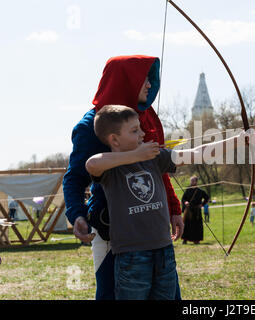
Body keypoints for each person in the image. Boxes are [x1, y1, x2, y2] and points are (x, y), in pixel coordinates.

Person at [85, 105, 250, 299]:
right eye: (135, 130)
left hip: (164, 250)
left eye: (140, 128)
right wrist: (136, 155)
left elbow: (197, 153)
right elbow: (92, 164)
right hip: (131, 256)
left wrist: (238, 140)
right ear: (114, 139)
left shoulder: (155, 158)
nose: (143, 133)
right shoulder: (111, 169)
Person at [62, 55, 184, 300]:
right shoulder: (91, 126)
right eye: (143, 79)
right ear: (125, 81)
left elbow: (156, 168)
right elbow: (75, 177)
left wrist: (173, 208)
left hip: (152, 234)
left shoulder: (145, 117)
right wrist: (76, 213)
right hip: (113, 233)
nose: (150, 85)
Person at [181, 176, 210, 245]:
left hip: (197, 211)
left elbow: (207, 198)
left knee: (197, 226)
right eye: (191, 181)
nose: (192, 182)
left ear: (196, 182)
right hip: (188, 211)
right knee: (186, 225)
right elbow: (183, 199)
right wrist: (185, 202)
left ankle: (196, 240)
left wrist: (202, 204)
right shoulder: (187, 190)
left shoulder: (200, 191)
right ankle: (185, 239)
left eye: (193, 181)